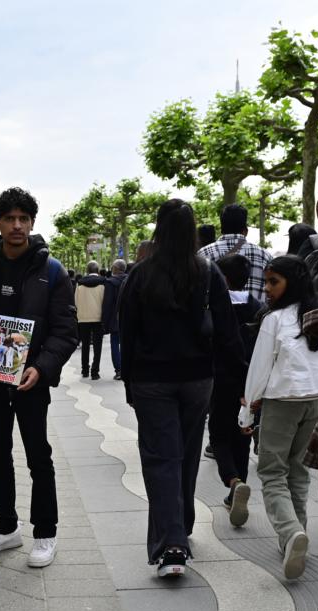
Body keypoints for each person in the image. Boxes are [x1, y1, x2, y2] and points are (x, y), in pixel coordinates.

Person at [119, 199, 244, 578]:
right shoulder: (207, 272)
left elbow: (127, 332)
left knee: (161, 459)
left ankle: (172, 545)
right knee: (187, 454)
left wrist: (129, 383)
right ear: (192, 231)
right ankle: (181, 524)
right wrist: (240, 383)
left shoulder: (140, 275)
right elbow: (228, 332)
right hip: (198, 379)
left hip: (151, 380)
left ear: (158, 228)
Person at [0, 187, 78, 568]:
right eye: (9, 218)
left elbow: (66, 331)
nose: (17, 225)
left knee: (38, 456)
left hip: (31, 382)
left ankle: (45, 532)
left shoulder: (52, 271)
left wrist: (41, 367)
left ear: (32, 222)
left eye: (23, 218)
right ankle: (6, 526)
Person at [239, 256, 318, 579]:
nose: (267, 288)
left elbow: (259, 369)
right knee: (299, 472)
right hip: (314, 401)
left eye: (273, 281)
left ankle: (291, 533)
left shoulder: (274, 319)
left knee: (272, 472)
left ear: (292, 282)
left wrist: (246, 413)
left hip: (281, 402)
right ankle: (295, 535)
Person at [209, 253, 263, 525]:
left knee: (219, 436)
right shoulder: (258, 309)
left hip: (221, 381)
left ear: (222, 278)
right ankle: (235, 493)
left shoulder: (214, 307)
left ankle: (233, 481)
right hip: (252, 384)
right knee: (242, 437)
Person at [198, 204, 272, 303]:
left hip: (217, 312)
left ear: (222, 228)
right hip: (257, 312)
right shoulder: (265, 256)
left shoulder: (203, 255)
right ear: (245, 230)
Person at [75, 261, 106, 380]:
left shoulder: (80, 284)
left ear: (87, 271)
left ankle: (84, 370)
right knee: (98, 346)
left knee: (85, 345)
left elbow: (76, 301)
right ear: (98, 270)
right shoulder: (103, 283)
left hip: (83, 318)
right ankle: (95, 372)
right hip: (98, 318)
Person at [102, 259, 128, 380]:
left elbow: (107, 303)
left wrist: (104, 321)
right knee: (127, 344)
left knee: (114, 344)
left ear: (115, 269)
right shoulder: (130, 280)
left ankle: (118, 370)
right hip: (128, 318)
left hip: (114, 318)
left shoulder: (110, 282)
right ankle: (127, 368)